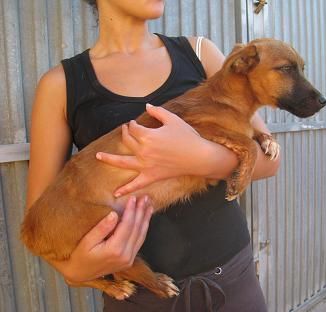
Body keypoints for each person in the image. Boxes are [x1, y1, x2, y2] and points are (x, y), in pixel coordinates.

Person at [25, 0, 280, 311]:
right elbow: (40, 224)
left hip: (233, 283)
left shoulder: (200, 53)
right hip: (139, 299)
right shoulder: (60, 84)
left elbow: (269, 161)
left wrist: (199, 157)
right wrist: (77, 271)